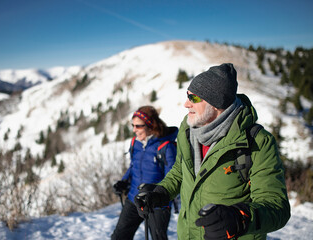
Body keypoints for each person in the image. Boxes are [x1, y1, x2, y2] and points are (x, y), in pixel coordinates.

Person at [134, 63, 290, 240]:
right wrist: (161, 192)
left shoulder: (257, 142)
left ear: (216, 103)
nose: (186, 104)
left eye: (194, 98)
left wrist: (240, 218)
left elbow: (277, 206)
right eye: (187, 96)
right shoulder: (188, 131)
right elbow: (180, 171)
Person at [111, 105, 178, 240]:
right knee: (119, 236)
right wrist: (124, 182)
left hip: (156, 202)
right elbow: (133, 166)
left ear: (150, 125)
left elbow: (172, 176)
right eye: (133, 125)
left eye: (139, 126)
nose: (134, 130)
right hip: (134, 198)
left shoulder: (166, 147)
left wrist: (159, 196)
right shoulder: (135, 142)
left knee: (158, 238)